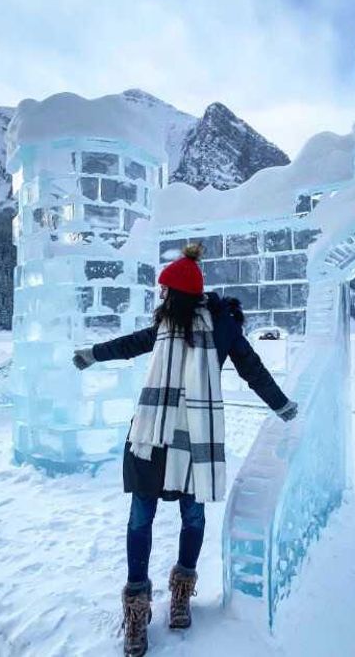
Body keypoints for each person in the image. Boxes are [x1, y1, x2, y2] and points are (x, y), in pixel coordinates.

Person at [73, 243, 298, 657]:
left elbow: (252, 369)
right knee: (141, 518)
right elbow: (130, 343)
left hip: (196, 438)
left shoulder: (223, 327)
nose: (161, 297)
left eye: (165, 292)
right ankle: (137, 609)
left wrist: (280, 403)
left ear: (178, 294)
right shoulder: (164, 325)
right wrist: (93, 354)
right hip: (152, 435)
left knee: (192, 515)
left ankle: (181, 593)